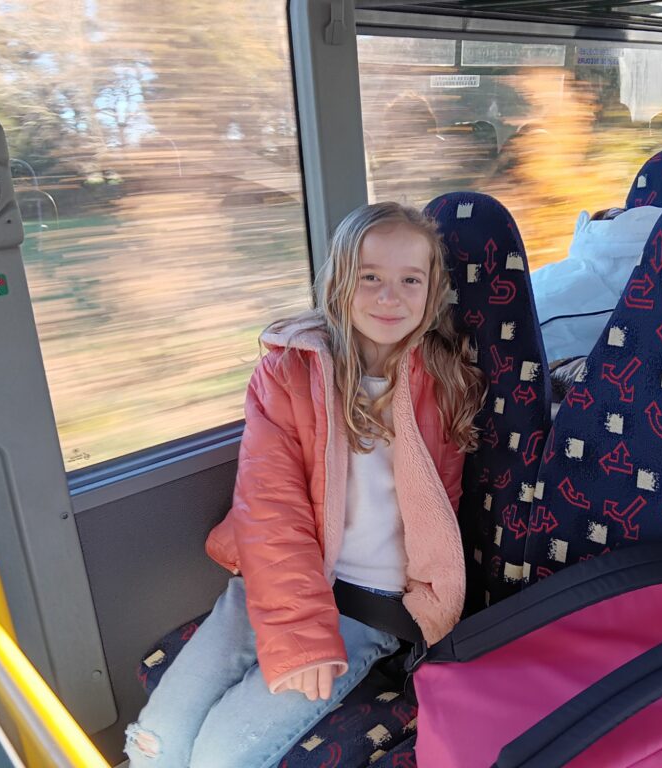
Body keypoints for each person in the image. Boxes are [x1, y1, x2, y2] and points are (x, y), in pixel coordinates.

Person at [124, 202, 487, 768]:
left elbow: (439, 512)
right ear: (339, 281)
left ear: (432, 288)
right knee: (156, 742)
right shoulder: (289, 373)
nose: (390, 297)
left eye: (410, 280)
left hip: (371, 607)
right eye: (370, 277)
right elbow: (270, 506)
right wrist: (298, 632)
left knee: (221, 756)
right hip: (277, 581)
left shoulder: (445, 380)